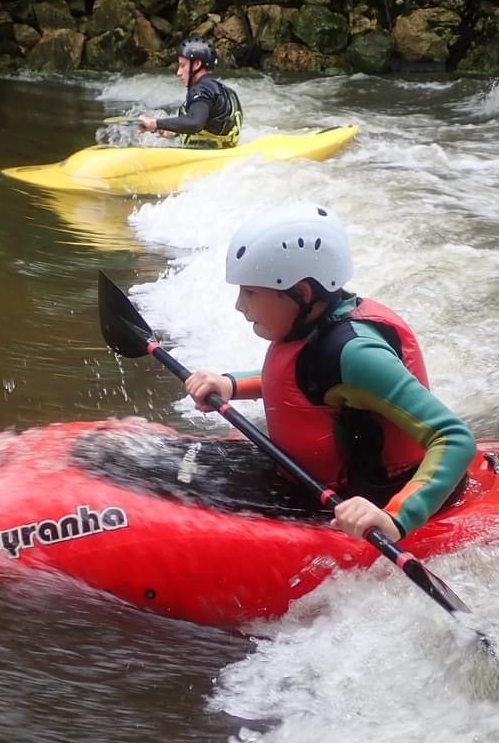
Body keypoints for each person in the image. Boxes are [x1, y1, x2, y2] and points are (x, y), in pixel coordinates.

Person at [184, 202, 476, 542]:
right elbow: (302, 383)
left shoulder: (358, 355)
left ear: (302, 293)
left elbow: (454, 438)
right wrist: (230, 385)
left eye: (250, 292)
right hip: (312, 483)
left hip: (379, 499)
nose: (239, 305)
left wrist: (396, 517)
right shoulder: (312, 329)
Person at [137, 38, 242, 148]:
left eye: (182, 66)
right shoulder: (224, 90)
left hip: (205, 159)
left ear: (196, 64)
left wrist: (154, 123)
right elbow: (211, 122)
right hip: (222, 154)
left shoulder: (201, 90)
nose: (178, 73)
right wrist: (174, 131)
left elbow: (195, 123)